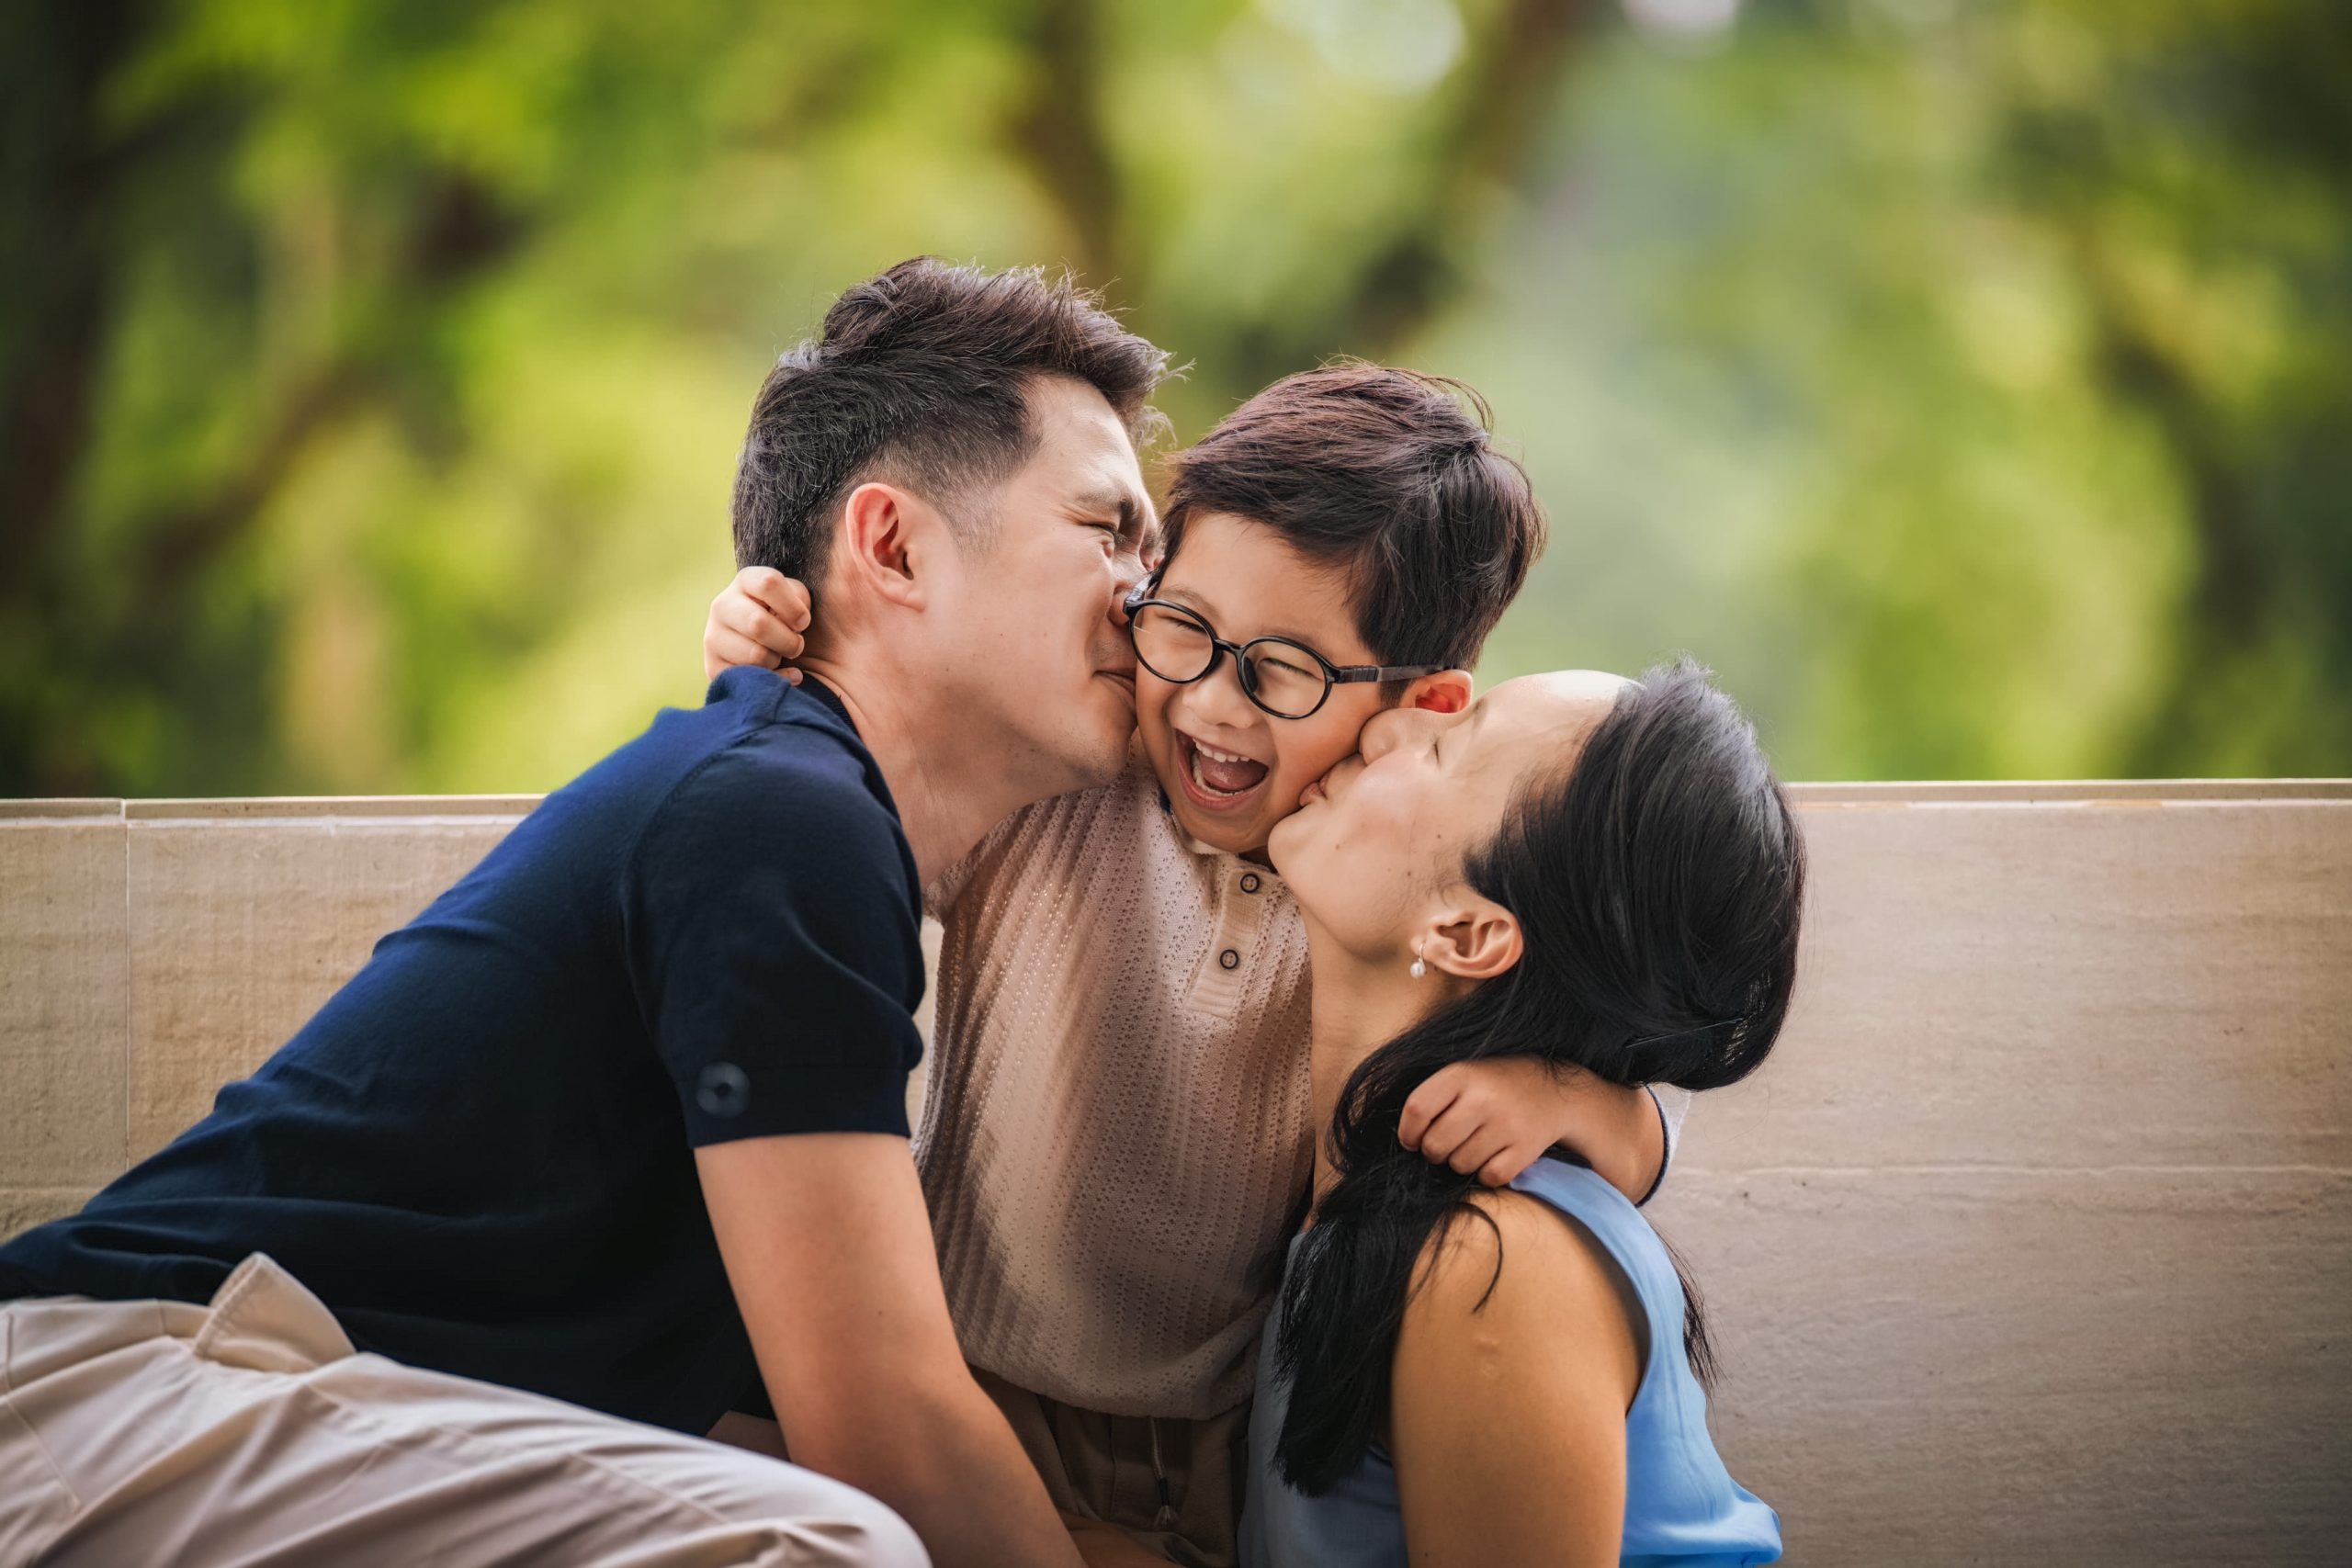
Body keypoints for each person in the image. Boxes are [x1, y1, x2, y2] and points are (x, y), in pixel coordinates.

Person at [0, 257, 1175, 1568]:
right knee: (830, 1546)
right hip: (119, 1392)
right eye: (1110, 528)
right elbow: (883, 1427)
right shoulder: (780, 814)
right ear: (893, 544)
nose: (1153, 591)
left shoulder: (793, 805)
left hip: (275, 1411)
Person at [702, 366, 1680, 1566]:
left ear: (1417, 703)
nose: (1213, 703)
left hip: (1232, 1453)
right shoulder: (1060, 768)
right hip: (980, 1402)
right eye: (1184, 628)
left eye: (1282, 671)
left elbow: (1616, 1124)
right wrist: (777, 656)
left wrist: (1579, 1099)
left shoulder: (1377, 892)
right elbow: (836, 796)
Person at [1241, 663, 1802, 1567]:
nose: (1392, 724)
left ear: (1465, 934)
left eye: (1446, 746)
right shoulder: (1373, 1225)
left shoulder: (1488, 1268)